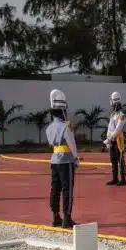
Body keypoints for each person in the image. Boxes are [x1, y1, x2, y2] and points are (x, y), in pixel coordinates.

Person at [46, 89, 80, 228]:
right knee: (67, 190)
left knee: (55, 189)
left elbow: (51, 143)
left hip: (54, 160)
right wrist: (76, 158)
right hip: (66, 160)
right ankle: (67, 218)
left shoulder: (49, 128)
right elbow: (72, 144)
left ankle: (55, 217)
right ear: (63, 111)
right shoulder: (66, 127)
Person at [103, 91, 126, 186]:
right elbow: (110, 128)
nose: (113, 107)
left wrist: (109, 139)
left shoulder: (121, 115)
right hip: (111, 141)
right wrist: (108, 139)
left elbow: (117, 129)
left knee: (120, 160)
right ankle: (115, 178)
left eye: (114, 105)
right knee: (113, 160)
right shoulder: (113, 115)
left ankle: (123, 179)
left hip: (118, 141)